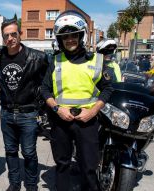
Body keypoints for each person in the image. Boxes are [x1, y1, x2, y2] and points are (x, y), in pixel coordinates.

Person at [40, 10, 113, 191]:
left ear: (81, 36)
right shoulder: (55, 61)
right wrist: (57, 109)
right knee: (63, 164)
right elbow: (44, 89)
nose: (70, 39)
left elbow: (108, 88)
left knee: (89, 167)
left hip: (87, 121)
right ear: (60, 39)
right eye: (65, 36)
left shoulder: (97, 60)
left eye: (74, 35)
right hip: (61, 120)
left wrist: (93, 111)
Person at [0, 18, 49, 191]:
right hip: (7, 113)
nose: (10, 38)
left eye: (13, 34)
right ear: (3, 38)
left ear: (20, 34)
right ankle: (15, 183)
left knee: (29, 152)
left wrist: (44, 107)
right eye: (6, 35)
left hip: (28, 113)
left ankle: (31, 185)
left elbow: (49, 83)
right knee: (10, 151)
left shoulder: (37, 57)